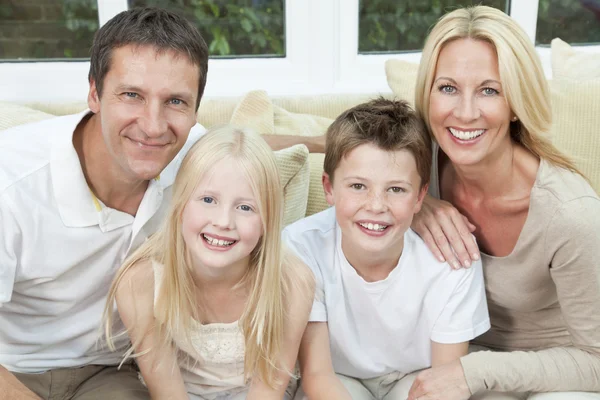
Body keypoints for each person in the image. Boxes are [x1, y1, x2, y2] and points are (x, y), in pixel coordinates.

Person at [0, 7, 322, 400]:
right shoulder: (11, 184)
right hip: (16, 370)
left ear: (194, 110)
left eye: (175, 102)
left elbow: (242, 149)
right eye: (131, 94)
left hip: (113, 371)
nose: (153, 126)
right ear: (94, 93)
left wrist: (355, 159)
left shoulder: (186, 155)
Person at [405, 6, 600, 400]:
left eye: (489, 90)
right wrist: (410, 202)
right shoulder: (412, 160)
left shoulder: (572, 214)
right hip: (452, 355)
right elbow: (340, 148)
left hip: (554, 371)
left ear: (516, 104)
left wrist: (475, 372)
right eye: (447, 88)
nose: (464, 112)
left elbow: (596, 359)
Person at [283, 98, 490, 400]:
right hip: (337, 377)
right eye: (358, 186)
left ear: (420, 197)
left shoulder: (453, 257)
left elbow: (444, 382)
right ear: (329, 188)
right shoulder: (301, 246)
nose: (376, 206)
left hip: (420, 375)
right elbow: (317, 375)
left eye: (396, 189)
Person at [104, 126, 315, 400]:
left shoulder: (293, 281)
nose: (223, 221)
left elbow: (269, 386)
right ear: (180, 205)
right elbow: (166, 390)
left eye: (245, 207)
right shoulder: (141, 280)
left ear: (267, 221)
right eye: (207, 199)